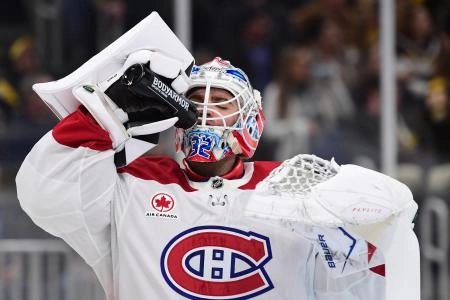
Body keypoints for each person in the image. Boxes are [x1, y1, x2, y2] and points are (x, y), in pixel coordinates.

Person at [16, 13, 419, 300]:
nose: (205, 113)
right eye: (194, 101)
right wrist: (107, 114)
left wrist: (368, 211)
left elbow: (362, 270)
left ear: (251, 122)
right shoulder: (130, 184)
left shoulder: (298, 190)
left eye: (221, 102)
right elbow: (44, 195)